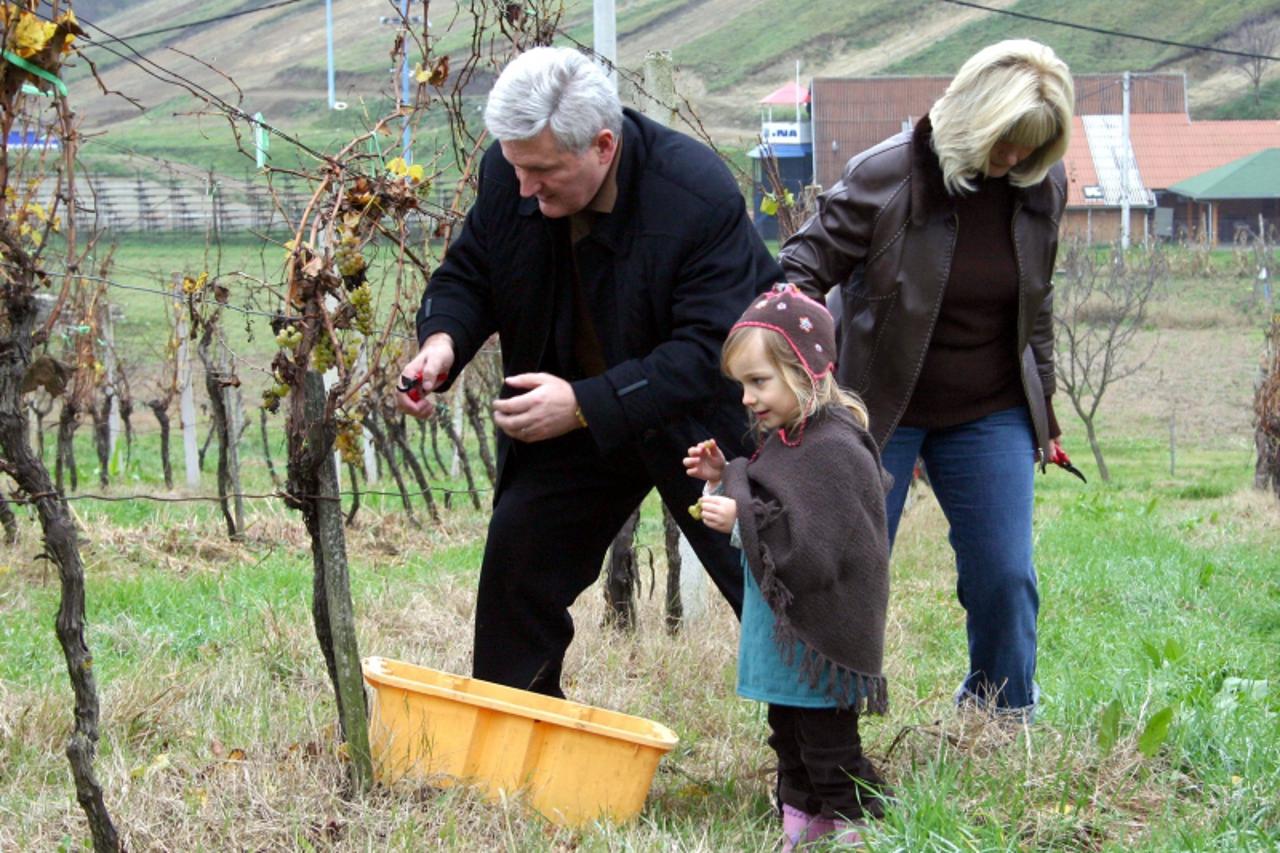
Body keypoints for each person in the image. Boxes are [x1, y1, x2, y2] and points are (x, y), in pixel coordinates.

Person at [396, 46, 781, 698]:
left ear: (603, 146)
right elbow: (471, 272)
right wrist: (441, 341)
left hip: (697, 421)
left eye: (541, 171)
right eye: (516, 168)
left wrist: (583, 402)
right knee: (521, 562)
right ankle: (517, 741)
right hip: (574, 412)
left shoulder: (695, 195)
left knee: (769, 577)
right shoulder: (509, 170)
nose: (523, 188)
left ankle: (820, 768)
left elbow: (706, 348)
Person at [778, 39, 1074, 717]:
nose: (1013, 163)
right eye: (1005, 145)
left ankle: (1000, 713)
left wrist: (1045, 407)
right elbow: (797, 273)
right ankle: (825, 723)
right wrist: (800, 390)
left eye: (1030, 150)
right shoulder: (881, 176)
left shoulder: (1038, 186)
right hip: (876, 409)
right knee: (845, 572)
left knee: (1005, 575)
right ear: (971, 117)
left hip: (990, 406)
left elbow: (1037, 301)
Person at [684, 284, 891, 849]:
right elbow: (772, 502)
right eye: (742, 385)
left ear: (806, 370)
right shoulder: (788, 440)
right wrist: (724, 475)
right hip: (788, 635)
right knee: (788, 737)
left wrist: (741, 517)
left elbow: (814, 547)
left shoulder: (835, 449)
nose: (748, 398)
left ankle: (864, 821)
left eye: (759, 381)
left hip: (822, 632)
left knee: (828, 743)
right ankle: (802, 824)